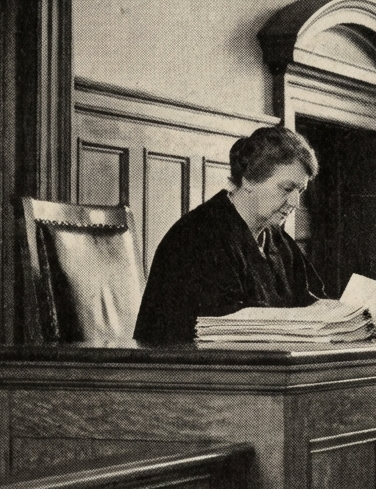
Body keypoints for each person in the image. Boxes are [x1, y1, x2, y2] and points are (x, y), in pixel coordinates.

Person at [134, 125, 326, 343]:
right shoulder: (199, 236)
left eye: (299, 191)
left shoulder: (278, 240)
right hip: (189, 369)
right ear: (248, 180)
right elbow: (226, 326)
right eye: (286, 189)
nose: (295, 202)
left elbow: (311, 298)